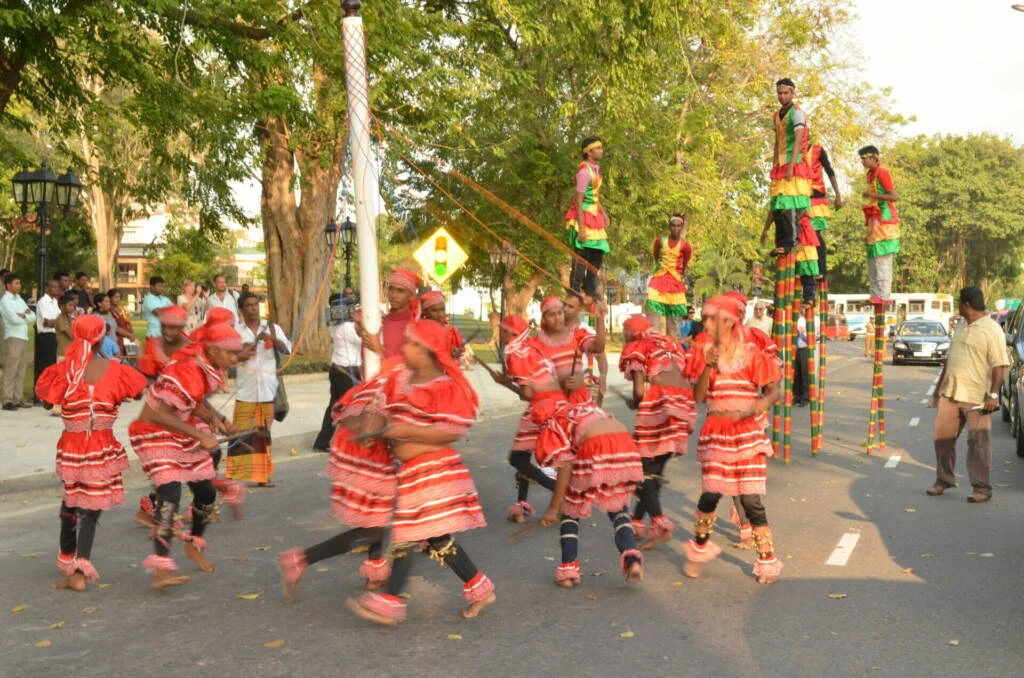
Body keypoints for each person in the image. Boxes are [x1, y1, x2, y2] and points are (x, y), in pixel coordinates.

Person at [347, 320, 495, 625]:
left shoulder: (444, 385)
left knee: (407, 533)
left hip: (434, 471)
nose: (405, 348)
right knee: (436, 537)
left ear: (427, 351)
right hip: (413, 471)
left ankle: (390, 600)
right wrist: (377, 432)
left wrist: (409, 429)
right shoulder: (403, 379)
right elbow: (384, 413)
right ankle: (479, 587)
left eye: (412, 343)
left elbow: (451, 432)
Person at [36, 314, 148, 591]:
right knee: (91, 507)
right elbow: (136, 391)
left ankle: (71, 562)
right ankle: (79, 566)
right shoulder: (117, 369)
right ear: (101, 337)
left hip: (72, 447)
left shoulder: (62, 371)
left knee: (71, 503)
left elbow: (45, 401)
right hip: (102, 446)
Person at [129, 322, 242, 588]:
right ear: (213, 350)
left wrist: (220, 420)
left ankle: (193, 545)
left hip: (180, 431)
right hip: (154, 432)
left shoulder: (204, 365)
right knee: (170, 495)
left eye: (237, 353)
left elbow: (192, 401)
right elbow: (158, 414)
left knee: (206, 493)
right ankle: (161, 566)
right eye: (231, 353)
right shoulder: (188, 367)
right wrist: (201, 435)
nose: (235, 359)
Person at [278, 357, 401, 599]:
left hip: (367, 453)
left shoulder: (397, 377)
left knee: (376, 519)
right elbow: (369, 415)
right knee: (375, 528)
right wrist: (370, 433)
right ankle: (300, 559)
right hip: (366, 456)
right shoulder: (397, 383)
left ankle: (374, 576)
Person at [682, 294, 784, 584]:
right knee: (711, 494)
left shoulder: (751, 353)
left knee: (751, 500)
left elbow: (773, 389)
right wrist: (708, 367)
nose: (710, 323)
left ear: (732, 321)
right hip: (717, 431)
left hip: (747, 432)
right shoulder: (703, 351)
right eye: (708, 318)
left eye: (716, 319)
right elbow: (699, 397)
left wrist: (762, 404)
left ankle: (767, 561)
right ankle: (699, 549)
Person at [532, 395, 645, 587]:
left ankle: (568, 570)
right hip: (623, 443)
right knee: (616, 506)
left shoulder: (555, 423)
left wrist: (553, 508)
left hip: (597, 445)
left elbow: (565, 467)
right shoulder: (582, 408)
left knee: (570, 508)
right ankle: (632, 560)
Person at [619, 315, 696, 548]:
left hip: (661, 406)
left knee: (642, 472)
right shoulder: (670, 342)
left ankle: (659, 523)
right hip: (683, 406)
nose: (624, 336)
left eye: (624, 331)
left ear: (632, 333)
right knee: (653, 471)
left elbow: (640, 392)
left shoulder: (637, 347)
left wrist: (635, 403)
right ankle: (636, 522)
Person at [927, 287, 1009, 504]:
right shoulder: (962, 325)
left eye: (959, 303)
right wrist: (937, 390)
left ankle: (981, 488)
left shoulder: (992, 329)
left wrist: (993, 395)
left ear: (966, 305)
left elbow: (999, 365)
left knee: (978, 443)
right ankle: (943, 479)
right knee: (942, 439)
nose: (958, 306)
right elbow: (950, 360)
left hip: (977, 397)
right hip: (950, 393)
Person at [227, 292, 291, 487]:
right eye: (249, 305)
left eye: (256, 305)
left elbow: (286, 349)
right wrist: (242, 351)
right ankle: (236, 472)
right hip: (246, 390)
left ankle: (263, 476)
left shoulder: (272, 327)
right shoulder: (236, 331)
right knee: (242, 432)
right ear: (242, 310)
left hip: (267, 389)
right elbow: (229, 356)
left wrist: (271, 338)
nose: (254, 308)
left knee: (264, 434)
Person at [763, 78, 812, 257]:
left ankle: (791, 240)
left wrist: (791, 165)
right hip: (780, 164)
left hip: (795, 161)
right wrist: (774, 163)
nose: (782, 96)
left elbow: (798, 139)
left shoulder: (797, 113)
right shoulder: (776, 116)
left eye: (786, 93)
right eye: (779, 93)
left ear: (792, 93)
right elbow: (777, 141)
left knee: (789, 202)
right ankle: (781, 241)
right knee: (777, 203)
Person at [313, 301, 362, 452]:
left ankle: (322, 441)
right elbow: (363, 340)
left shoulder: (333, 326)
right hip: (346, 372)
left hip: (336, 369)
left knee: (334, 407)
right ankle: (350, 443)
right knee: (353, 408)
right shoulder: (348, 327)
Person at [565, 136, 610, 300]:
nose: (601, 151)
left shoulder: (595, 171)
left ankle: (590, 288)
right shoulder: (584, 172)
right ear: (589, 152)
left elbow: (595, 197)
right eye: (598, 148)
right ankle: (575, 289)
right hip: (583, 216)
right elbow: (578, 200)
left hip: (594, 215)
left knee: (597, 254)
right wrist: (581, 228)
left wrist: (603, 213)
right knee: (582, 256)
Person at [858, 145, 900, 303]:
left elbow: (894, 196)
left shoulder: (882, 172)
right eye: (861, 159)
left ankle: (883, 294)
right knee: (873, 255)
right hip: (874, 220)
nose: (862, 161)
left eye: (864, 158)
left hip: (885, 219)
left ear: (873, 157)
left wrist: (872, 195)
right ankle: (875, 292)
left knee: (882, 256)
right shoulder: (870, 174)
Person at [644, 214, 692, 337]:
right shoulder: (660, 240)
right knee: (654, 320)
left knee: (674, 324)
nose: (676, 228)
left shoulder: (686, 246)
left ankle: (673, 351)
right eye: (673, 225)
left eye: (679, 226)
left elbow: (684, 264)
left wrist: (677, 274)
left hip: (675, 284)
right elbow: (656, 255)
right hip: (658, 282)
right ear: (669, 226)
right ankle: (654, 346)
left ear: (682, 227)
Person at [359, 268, 420, 359]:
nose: (393, 295)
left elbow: (412, 366)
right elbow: (365, 359)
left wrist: (379, 350)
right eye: (391, 289)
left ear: (411, 296)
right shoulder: (378, 322)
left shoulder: (416, 324)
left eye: (400, 291)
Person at [807, 141, 843, 279]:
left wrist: (838, 194)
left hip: (816, 197)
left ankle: (821, 270)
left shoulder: (818, 150)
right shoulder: (793, 151)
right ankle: (809, 271)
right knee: (802, 237)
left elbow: (829, 171)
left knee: (815, 233)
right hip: (800, 197)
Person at [1, 273, 36, 410]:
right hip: (13, 337)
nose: (19, 286)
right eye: (16, 283)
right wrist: (23, 315)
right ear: (8, 285)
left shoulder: (19, 299)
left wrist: (23, 315)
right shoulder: (5, 301)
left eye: (19, 283)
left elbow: (32, 314)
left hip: (23, 336)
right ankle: (7, 400)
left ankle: (17, 398)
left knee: (21, 369)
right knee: (11, 369)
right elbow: (14, 320)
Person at [136, 306, 189, 379]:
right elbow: (146, 377)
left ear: (182, 327)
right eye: (163, 326)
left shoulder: (192, 350)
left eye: (172, 328)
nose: (166, 332)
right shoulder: (152, 346)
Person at [34, 278, 63, 398]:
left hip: (54, 335)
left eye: (57, 287)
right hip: (46, 336)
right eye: (53, 286)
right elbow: (48, 323)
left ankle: (48, 393)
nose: (56, 289)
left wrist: (57, 322)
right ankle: (39, 394)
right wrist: (60, 322)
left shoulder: (55, 302)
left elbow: (56, 320)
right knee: (44, 366)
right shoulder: (43, 302)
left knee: (52, 365)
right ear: (47, 288)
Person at [420, 290, 466, 360]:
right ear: (425, 312)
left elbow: (457, 357)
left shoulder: (451, 332)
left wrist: (455, 354)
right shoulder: (417, 332)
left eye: (442, 309)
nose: (440, 314)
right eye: (434, 310)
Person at [141, 276, 172, 347]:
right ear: (152, 286)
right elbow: (159, 313)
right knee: (154, 357)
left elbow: (175, 311)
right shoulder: (148, 299)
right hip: (153, 335)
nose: (161, 288)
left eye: (162, 286)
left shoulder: (165, 299)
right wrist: (169, 311)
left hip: (165, 335)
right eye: (159, 286)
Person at [108, 289, 137, 358]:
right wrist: (128, 335)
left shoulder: (122, 308)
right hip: (119, 338)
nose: (118, 299)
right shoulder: (109, 310)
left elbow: (128, 322)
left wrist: (131, 334)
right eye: (115, 297)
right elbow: (115, 327)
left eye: (119, 297)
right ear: (110, 298)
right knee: (120, 359)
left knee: (132, 358)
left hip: (128, 338)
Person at [54, 294, 78, 359]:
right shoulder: (60, 319)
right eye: (70, 305)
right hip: (63, 353)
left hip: (72, 352)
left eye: (73, 305)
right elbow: (70, 336)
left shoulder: (69, 318)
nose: (72, 307)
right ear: (62, 307)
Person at [793, 314, 809, 406]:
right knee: (796, 374)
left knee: (804, 374)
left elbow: (810, 339)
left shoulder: (806, 320)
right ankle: (796, 396)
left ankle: (805, 397)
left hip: (804, 350)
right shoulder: (792, 320)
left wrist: (802, 333)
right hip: (795, 350)